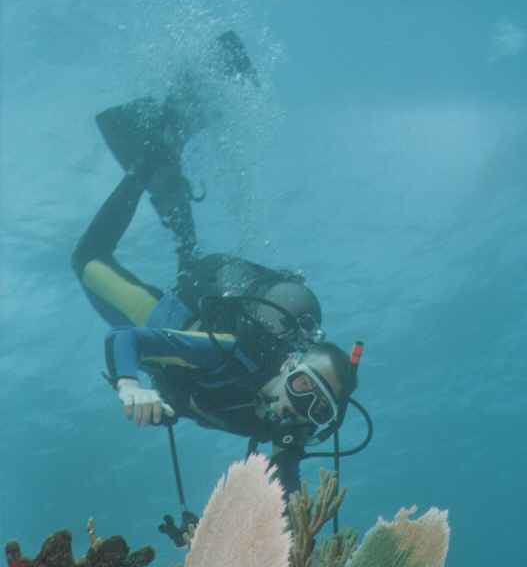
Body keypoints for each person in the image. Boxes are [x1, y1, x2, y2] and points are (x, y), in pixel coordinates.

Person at [71, 34, 360, 530]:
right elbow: (126, 340)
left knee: (188, 255)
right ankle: (145, 167)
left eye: (315, 410)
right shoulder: (232, 350)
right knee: (88, 260)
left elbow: (283, 495)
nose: (296, 409)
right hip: (177, 319)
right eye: (301, 387)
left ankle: (167, 168)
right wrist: (129, 385)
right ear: (288, 365)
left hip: (186, 359)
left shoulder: (289, 429)